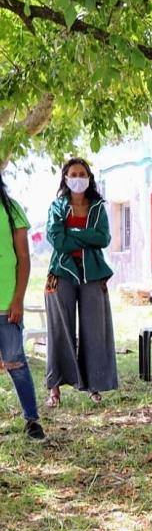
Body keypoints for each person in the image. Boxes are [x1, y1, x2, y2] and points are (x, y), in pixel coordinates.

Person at [45, 158, 118, 406]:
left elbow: (103, 238)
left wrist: (72, 233)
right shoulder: (56, 206)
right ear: (65, 178)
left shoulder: (98, 207)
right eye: (73, 174)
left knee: (95, 330)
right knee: (59, 329)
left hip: (93, 273)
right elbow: (57, 240)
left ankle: (94, 385)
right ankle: (54, 388)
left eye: (82, 173)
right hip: (61, 272)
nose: (78, 178)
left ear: (89, 178)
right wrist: (85, 238)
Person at [0, 171, 45, 439]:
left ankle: (32, 419)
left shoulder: (11, 208)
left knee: (16, 363)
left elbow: (24, 258)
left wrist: (18, 299)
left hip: (7, 306)